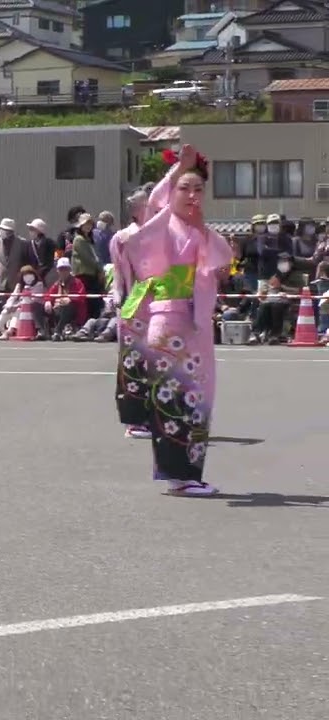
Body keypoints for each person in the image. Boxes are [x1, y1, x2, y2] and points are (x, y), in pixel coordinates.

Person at [112, 144, 232, 497]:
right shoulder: (161, 224)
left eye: (198, 189)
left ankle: (188, 473)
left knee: (199, 396)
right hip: (169, 319)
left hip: (196, 323)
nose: (192, 195)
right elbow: (155, 202)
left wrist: (202, 229)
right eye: (184, 188)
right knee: (176, 397)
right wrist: (179, 168)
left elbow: (222, 264)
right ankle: (178, 476)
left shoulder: (200, 231)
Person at [111, 183, 156, 439]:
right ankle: (135, 421)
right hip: (133, 305)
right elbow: (118, 274)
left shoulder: (165, 234)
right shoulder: (122, 238)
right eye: (146, 204)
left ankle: (157, 416)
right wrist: (118, 295)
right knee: (133, 363)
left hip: (162, 307)